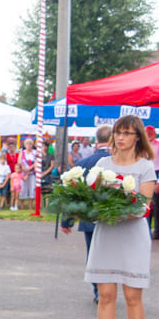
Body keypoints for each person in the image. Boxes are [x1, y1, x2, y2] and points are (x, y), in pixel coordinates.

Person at [79, 115, 156, 319]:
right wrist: (90, 209)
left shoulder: (146, 167)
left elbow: (144, 205)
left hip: (132, 235)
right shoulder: (102, 163)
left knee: (133, 297)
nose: (120, 137)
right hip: (106, 234)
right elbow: (91, 197)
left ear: (137, 137)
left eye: (126, 133)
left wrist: (117, 212)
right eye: (118, 132)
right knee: (106, 296)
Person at [60, 125, 112, 303]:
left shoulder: (83, 163)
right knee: (113, 254)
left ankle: (98, 290)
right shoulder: (118, 161)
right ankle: (109, 289)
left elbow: (72, 194)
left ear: (96, 141)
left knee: (93, 254)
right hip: (114, 218)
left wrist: (66, 220)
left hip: (90, 217)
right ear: (112, 140)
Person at [17, 138, 36, 209]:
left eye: (30, 144)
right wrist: (24, 168)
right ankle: (22, 206)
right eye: (27, 144)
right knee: (23, 188)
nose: (29, 145)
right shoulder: (22, 152)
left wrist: (30, 168)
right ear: (25, 145)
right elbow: (19, 162)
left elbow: (37, 161)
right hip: (23, 173)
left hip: (32, 173)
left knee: (32, 188)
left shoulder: (35, 152)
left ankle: (30, 205)